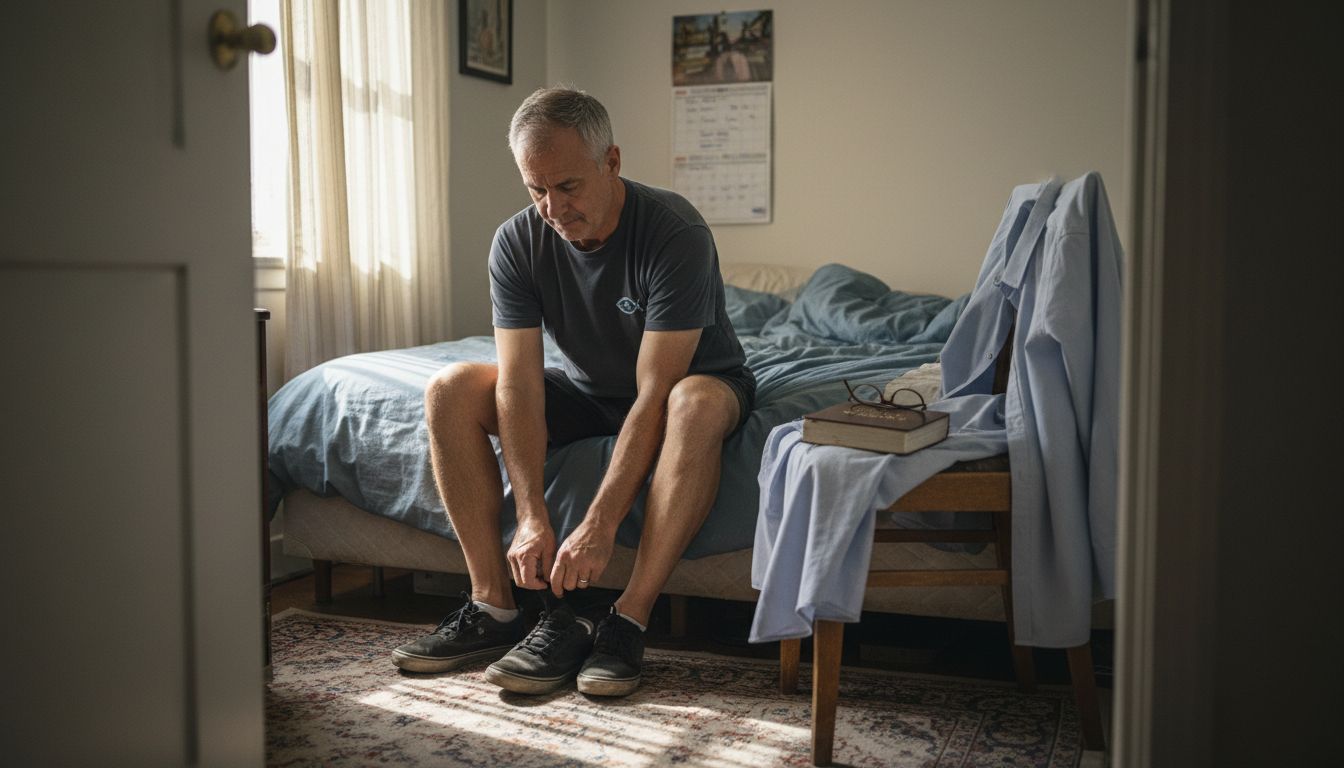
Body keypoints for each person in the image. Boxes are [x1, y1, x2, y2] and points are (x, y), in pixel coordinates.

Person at [392, 88, 755, 697]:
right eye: (536, 190)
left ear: (611, 161)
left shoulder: (675, 232)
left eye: (567, 186)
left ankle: (629, 618)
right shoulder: (516, 242)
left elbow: (653, 394)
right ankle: (493, 606)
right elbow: (519, 382)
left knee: (692, 403)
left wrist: (598, 523)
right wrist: (532, 515)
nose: (552, 208)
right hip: (588, 390)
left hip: (690, 384)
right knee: (451, 387)